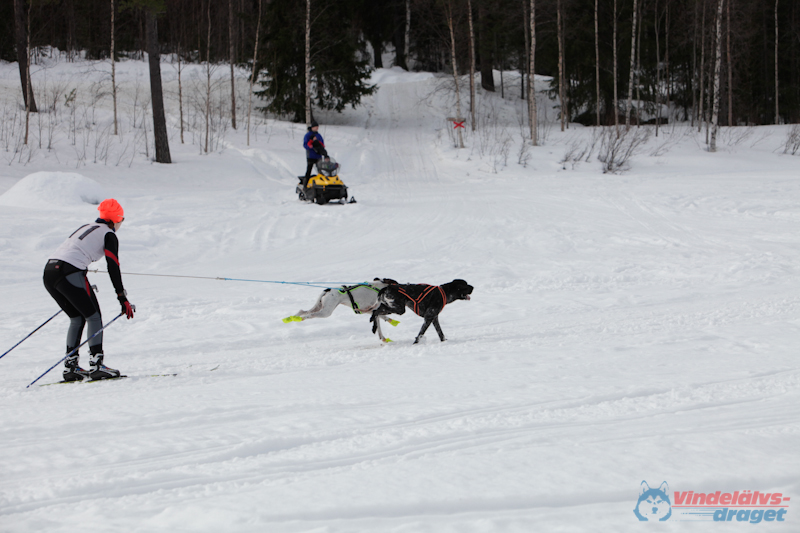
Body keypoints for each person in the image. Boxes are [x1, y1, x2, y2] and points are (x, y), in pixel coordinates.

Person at [43, 198, 135, 381]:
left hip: (49, 272)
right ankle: (97, 365)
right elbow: (113, 265)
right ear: (116, 219)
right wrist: (121, 297)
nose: (121, 224)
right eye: (121, 220)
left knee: (77, 318)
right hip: (70, 272)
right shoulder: (109, 234)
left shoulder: (86, 227)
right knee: (93, 317)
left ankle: (71, 367)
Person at [301, 120, 329, 187]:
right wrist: (310, 146)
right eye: (316, 127)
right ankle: (305, 185)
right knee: (309, 170)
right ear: (312, 127)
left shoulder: (319, 135)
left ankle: (322, 184)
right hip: (310, 156)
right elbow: (305, 145)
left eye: (317, 127)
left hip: (318, 156)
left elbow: (322, 145)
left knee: (321, 171)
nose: (317, 128)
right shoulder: (308, 135)